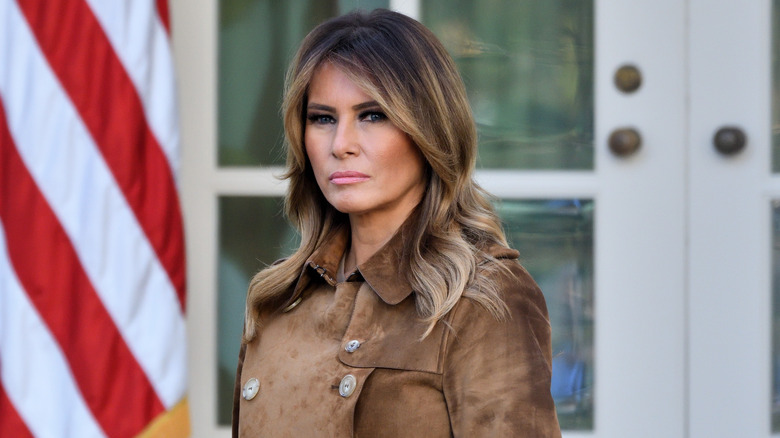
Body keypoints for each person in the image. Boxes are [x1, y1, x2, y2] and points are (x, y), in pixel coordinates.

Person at [232, 8, 561, 437]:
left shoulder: (481, 299)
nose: (341, 145)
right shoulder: (276, 300)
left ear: (429, 130)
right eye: (322, 118)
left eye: (372, 115)